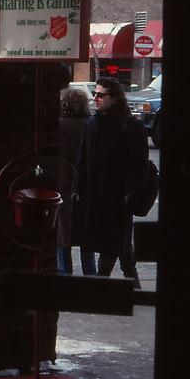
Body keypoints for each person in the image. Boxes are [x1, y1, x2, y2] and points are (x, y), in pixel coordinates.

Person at [72, 76, 149, 285]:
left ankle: (101, 282)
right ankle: (130, 278)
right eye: (94, 94)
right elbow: (83, 156)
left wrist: (131, 192)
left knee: (112, 240)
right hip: (95, 195)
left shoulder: (131, 126)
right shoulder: (92, 123)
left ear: (114, 99)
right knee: (117, 241)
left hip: (117, 195)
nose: (95, 98)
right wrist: (78, 187)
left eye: (100, 94)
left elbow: (139, 164)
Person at [57, 86, 93, 274]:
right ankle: (92, 280)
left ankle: (65, 276)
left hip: (62, 186)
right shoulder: (91, 125)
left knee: (63, 239)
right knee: (87, 241)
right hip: (85, 189)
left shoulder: (58, 126)